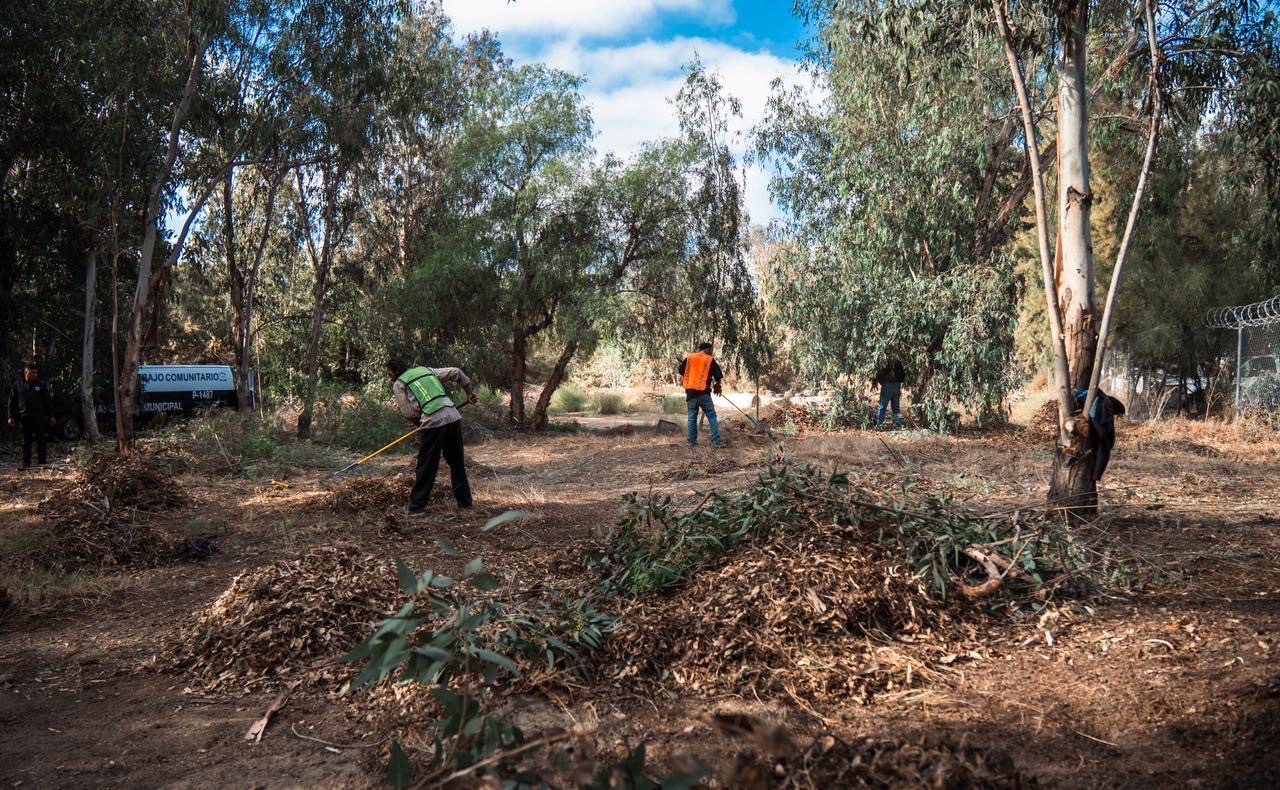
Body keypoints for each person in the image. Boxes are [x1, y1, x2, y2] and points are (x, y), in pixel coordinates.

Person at [385, 356, 478, 514]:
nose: (389, 377)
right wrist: (469, 392)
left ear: (396, 371)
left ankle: (416, 507)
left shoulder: (399, 384)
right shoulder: (426, 370)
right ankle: (465, 504)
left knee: (426, 465)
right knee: (456, 462)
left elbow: (409, 413)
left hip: (432, 421)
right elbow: (456, 372)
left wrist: (420, 423)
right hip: (452, 416)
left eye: (389, 374)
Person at [7, 362, 56, 469]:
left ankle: (42, 462)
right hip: (24, 417)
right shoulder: (17, 385)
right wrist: (10, 417)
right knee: (26, 441)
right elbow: (12, 402)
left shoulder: (41, 385)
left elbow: (48, 401)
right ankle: (26, 463)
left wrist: (52, 416)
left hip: (39, 417)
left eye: (36, 372)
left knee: (41, 439)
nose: (35, 374)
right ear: (26, 372)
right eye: (32, 372)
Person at [678, 342, 725, 448]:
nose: (711, 352)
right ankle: (716, 442)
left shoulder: (690, 357)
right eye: (711, 350)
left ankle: (692, 442)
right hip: (703, 394)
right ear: (707, 349)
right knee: (712, 416)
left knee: (691, 417)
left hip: (691, 393)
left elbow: (681, 371)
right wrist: (717, 387)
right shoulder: (709, 359)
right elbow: (718, 377)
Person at [874, 357, 905, 428]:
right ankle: (898, 424)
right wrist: (898, 382)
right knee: (896, 407)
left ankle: (880, 424)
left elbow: (879, 373)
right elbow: (903, 374)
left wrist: (883, 383)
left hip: (887, 385)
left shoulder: (884, 361)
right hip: (897, 385)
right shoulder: (898, 361)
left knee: (882, 406)